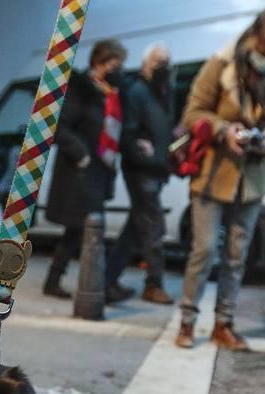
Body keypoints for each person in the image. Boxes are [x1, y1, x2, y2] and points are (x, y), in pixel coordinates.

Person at [174, 0, 265, 350]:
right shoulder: (223, 62)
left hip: (253, 178)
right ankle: (187, 322)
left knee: (236, 255)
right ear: (254, 36)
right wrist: (223, 130)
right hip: (214, 172)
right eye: (262, 50)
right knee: (203, 251)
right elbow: (193, 113)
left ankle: (224, 324)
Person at [43, 39, 127, 301]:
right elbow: (60, 127)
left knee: (80, 230)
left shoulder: (109, 92)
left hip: (98, 172)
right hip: (79, 172)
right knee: (85, 229)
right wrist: (82, 155)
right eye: (114, 65)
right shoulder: (81, 89)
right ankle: (98, 285)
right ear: (99, 63)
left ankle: (61, 280)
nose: (118, 70)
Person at [106, 42, 175, 306]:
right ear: (146, 64)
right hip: (142, 171)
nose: (164, 67)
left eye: (166, 61)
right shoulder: (136, 92)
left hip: (156, 169)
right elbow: (129, 135)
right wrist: (145, 152)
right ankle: (153, 284)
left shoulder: (161, 90)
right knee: (154, 225)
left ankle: (107, 280)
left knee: (136, 227)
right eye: (158, 62)